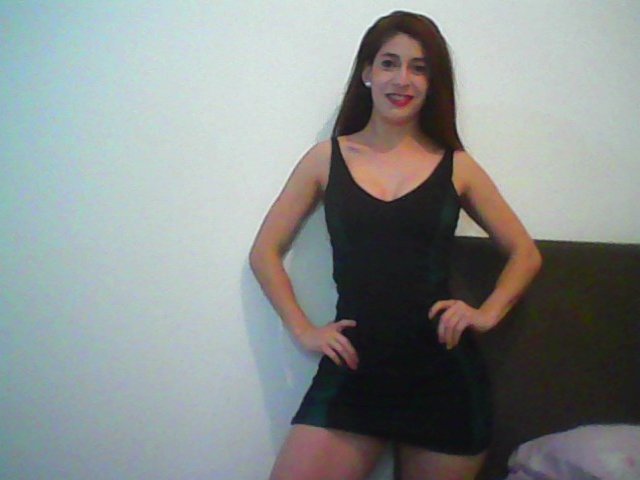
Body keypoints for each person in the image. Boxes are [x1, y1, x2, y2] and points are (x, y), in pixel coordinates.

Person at [249, 10, 542, 480]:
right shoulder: (326, 159)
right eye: (389, 63)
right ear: (367, 72)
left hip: (443, 380)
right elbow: (264, 252)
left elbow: (525, 253)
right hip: (353, 372)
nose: (402, 79)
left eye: (419, 68)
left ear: (432, 83)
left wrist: (486, 313)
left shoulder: (458, 166)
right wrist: (303, 329)